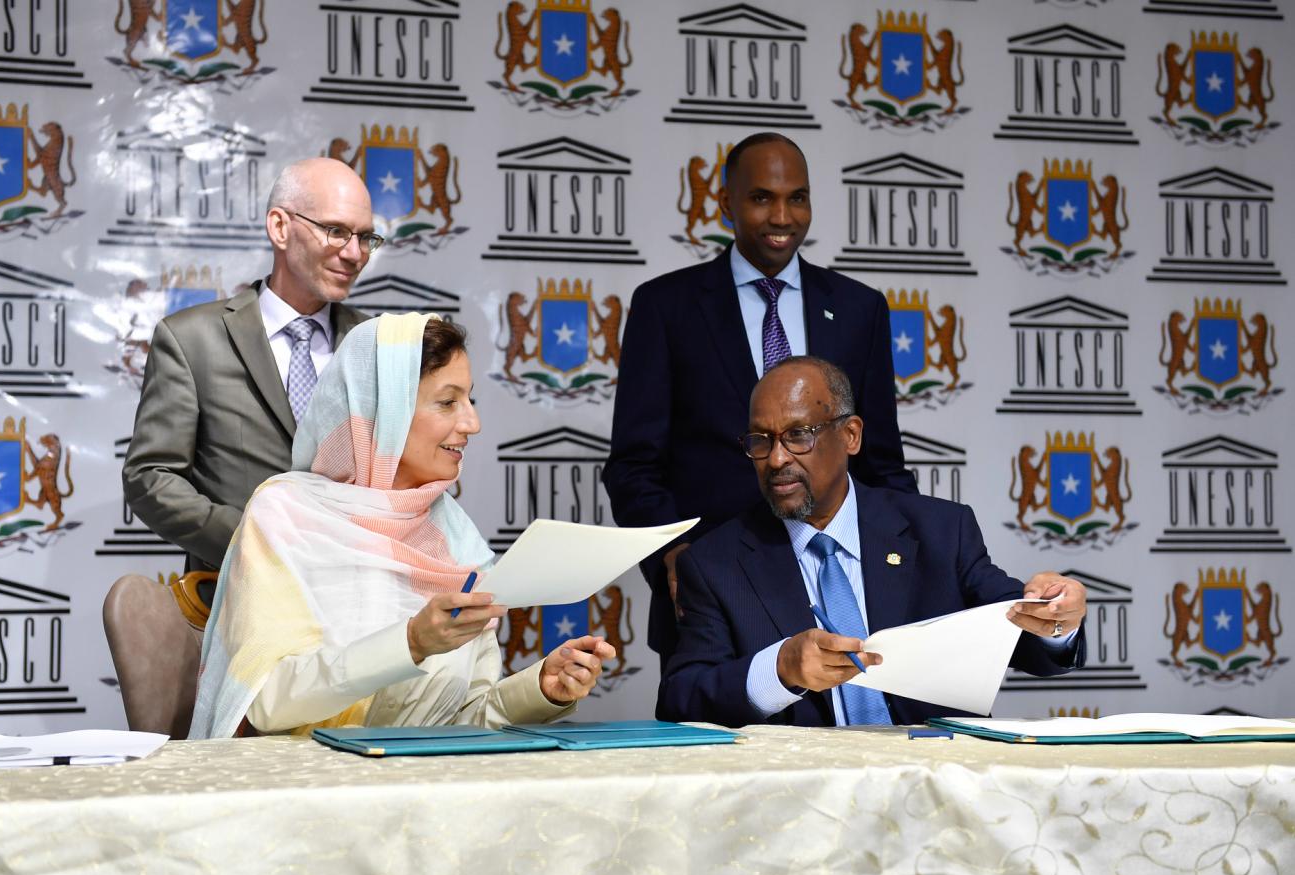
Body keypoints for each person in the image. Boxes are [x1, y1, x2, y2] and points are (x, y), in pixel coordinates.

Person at [189, 314, 616, 738]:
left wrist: (540, 690)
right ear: (384, 409)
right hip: (314, 779)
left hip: (427, 778)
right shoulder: (286, 515)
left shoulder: (455, 535)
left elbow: (462, 722)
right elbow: (267, 703)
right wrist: (410, 643)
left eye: (470, 401)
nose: (472, 424)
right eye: (447, 402)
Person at [604, 132, 915, 676]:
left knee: (859, 727)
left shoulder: (859, 308)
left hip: (843, 590)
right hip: (717, 596)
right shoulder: (666, 307)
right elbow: (634, 466)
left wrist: (915, 558)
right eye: (762, 197)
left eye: (798, 198)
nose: (782, 216)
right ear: (726, 202)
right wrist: (675, 556)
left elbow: (880, 461)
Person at [658, 356, 1087, 728]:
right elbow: (680, 700)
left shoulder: (940, 531)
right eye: (760, 440)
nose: (776, 458)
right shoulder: (716, 563)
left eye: (798, 435)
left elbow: (1024, 636)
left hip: (938, 776)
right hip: (804, 787)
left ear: (851, 435)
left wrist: (1056, 618)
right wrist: (780, 669)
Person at [123, 157, 380, 603]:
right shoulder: (192, 340)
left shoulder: (378, 343)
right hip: (236, 607)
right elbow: (151, 477)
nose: (354, 253)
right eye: (336, 231)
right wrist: (253, 538)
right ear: (280, 227)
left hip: (360, 604)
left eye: (365, 237)